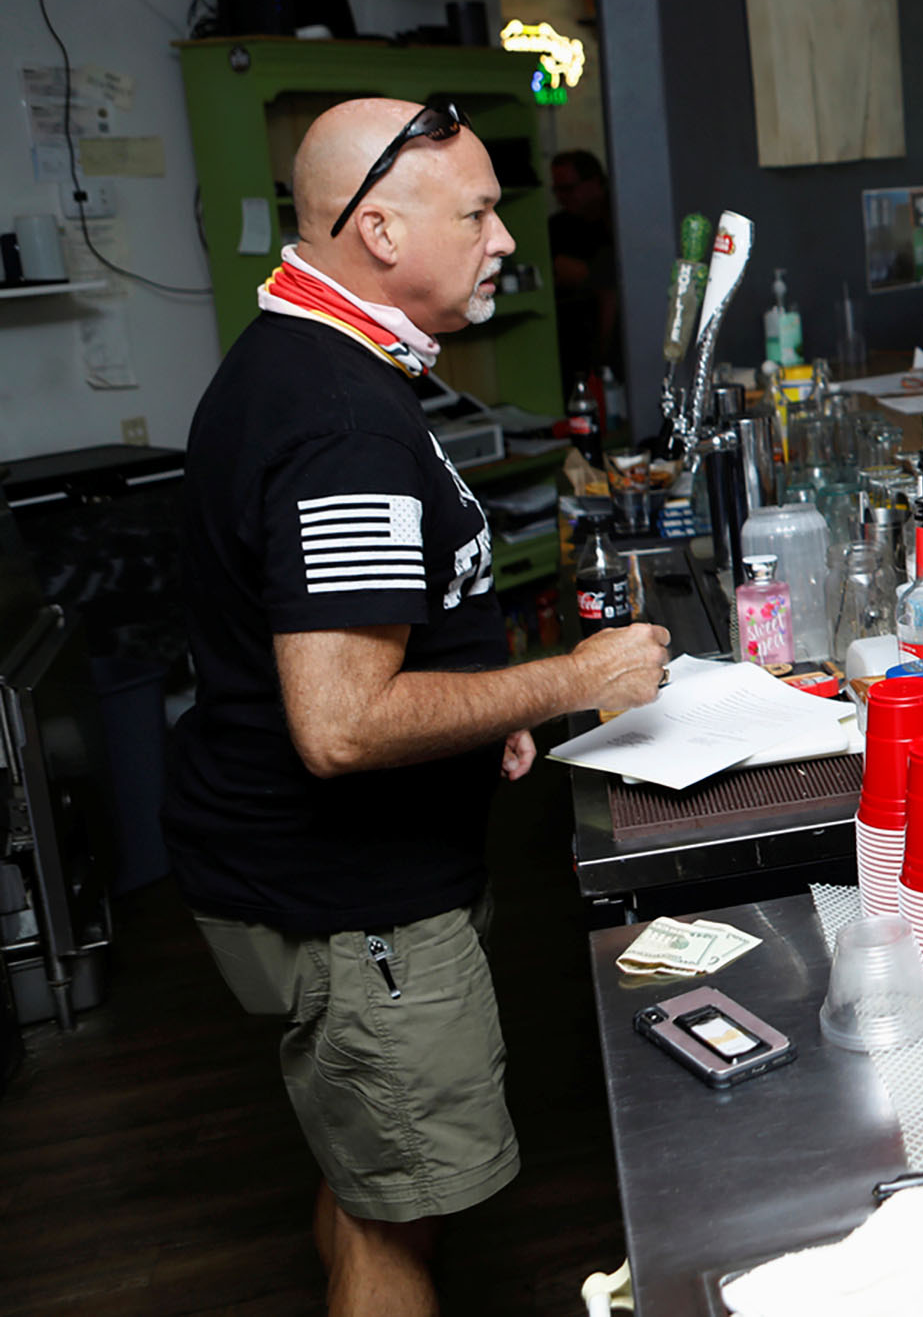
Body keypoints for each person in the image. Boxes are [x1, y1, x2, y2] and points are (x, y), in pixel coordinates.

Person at [167, 98, 671, 1316]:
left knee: (367, 1168)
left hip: (317, 876)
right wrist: (574, 681)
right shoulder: (340, 418)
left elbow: (366, 640)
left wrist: (471, 701)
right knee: (404, 1204)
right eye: (481, 211)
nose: (507, 237)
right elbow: (339, 723)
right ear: (379, 229)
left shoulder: (313, 356)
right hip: (353, 899)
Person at [546, 147, 617, 377]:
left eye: (568, 189)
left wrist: (588, 275)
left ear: (596, 184)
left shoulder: (619, 221)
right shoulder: (557, 228)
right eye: (557, 190)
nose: (561, 197)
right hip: (572, 345)